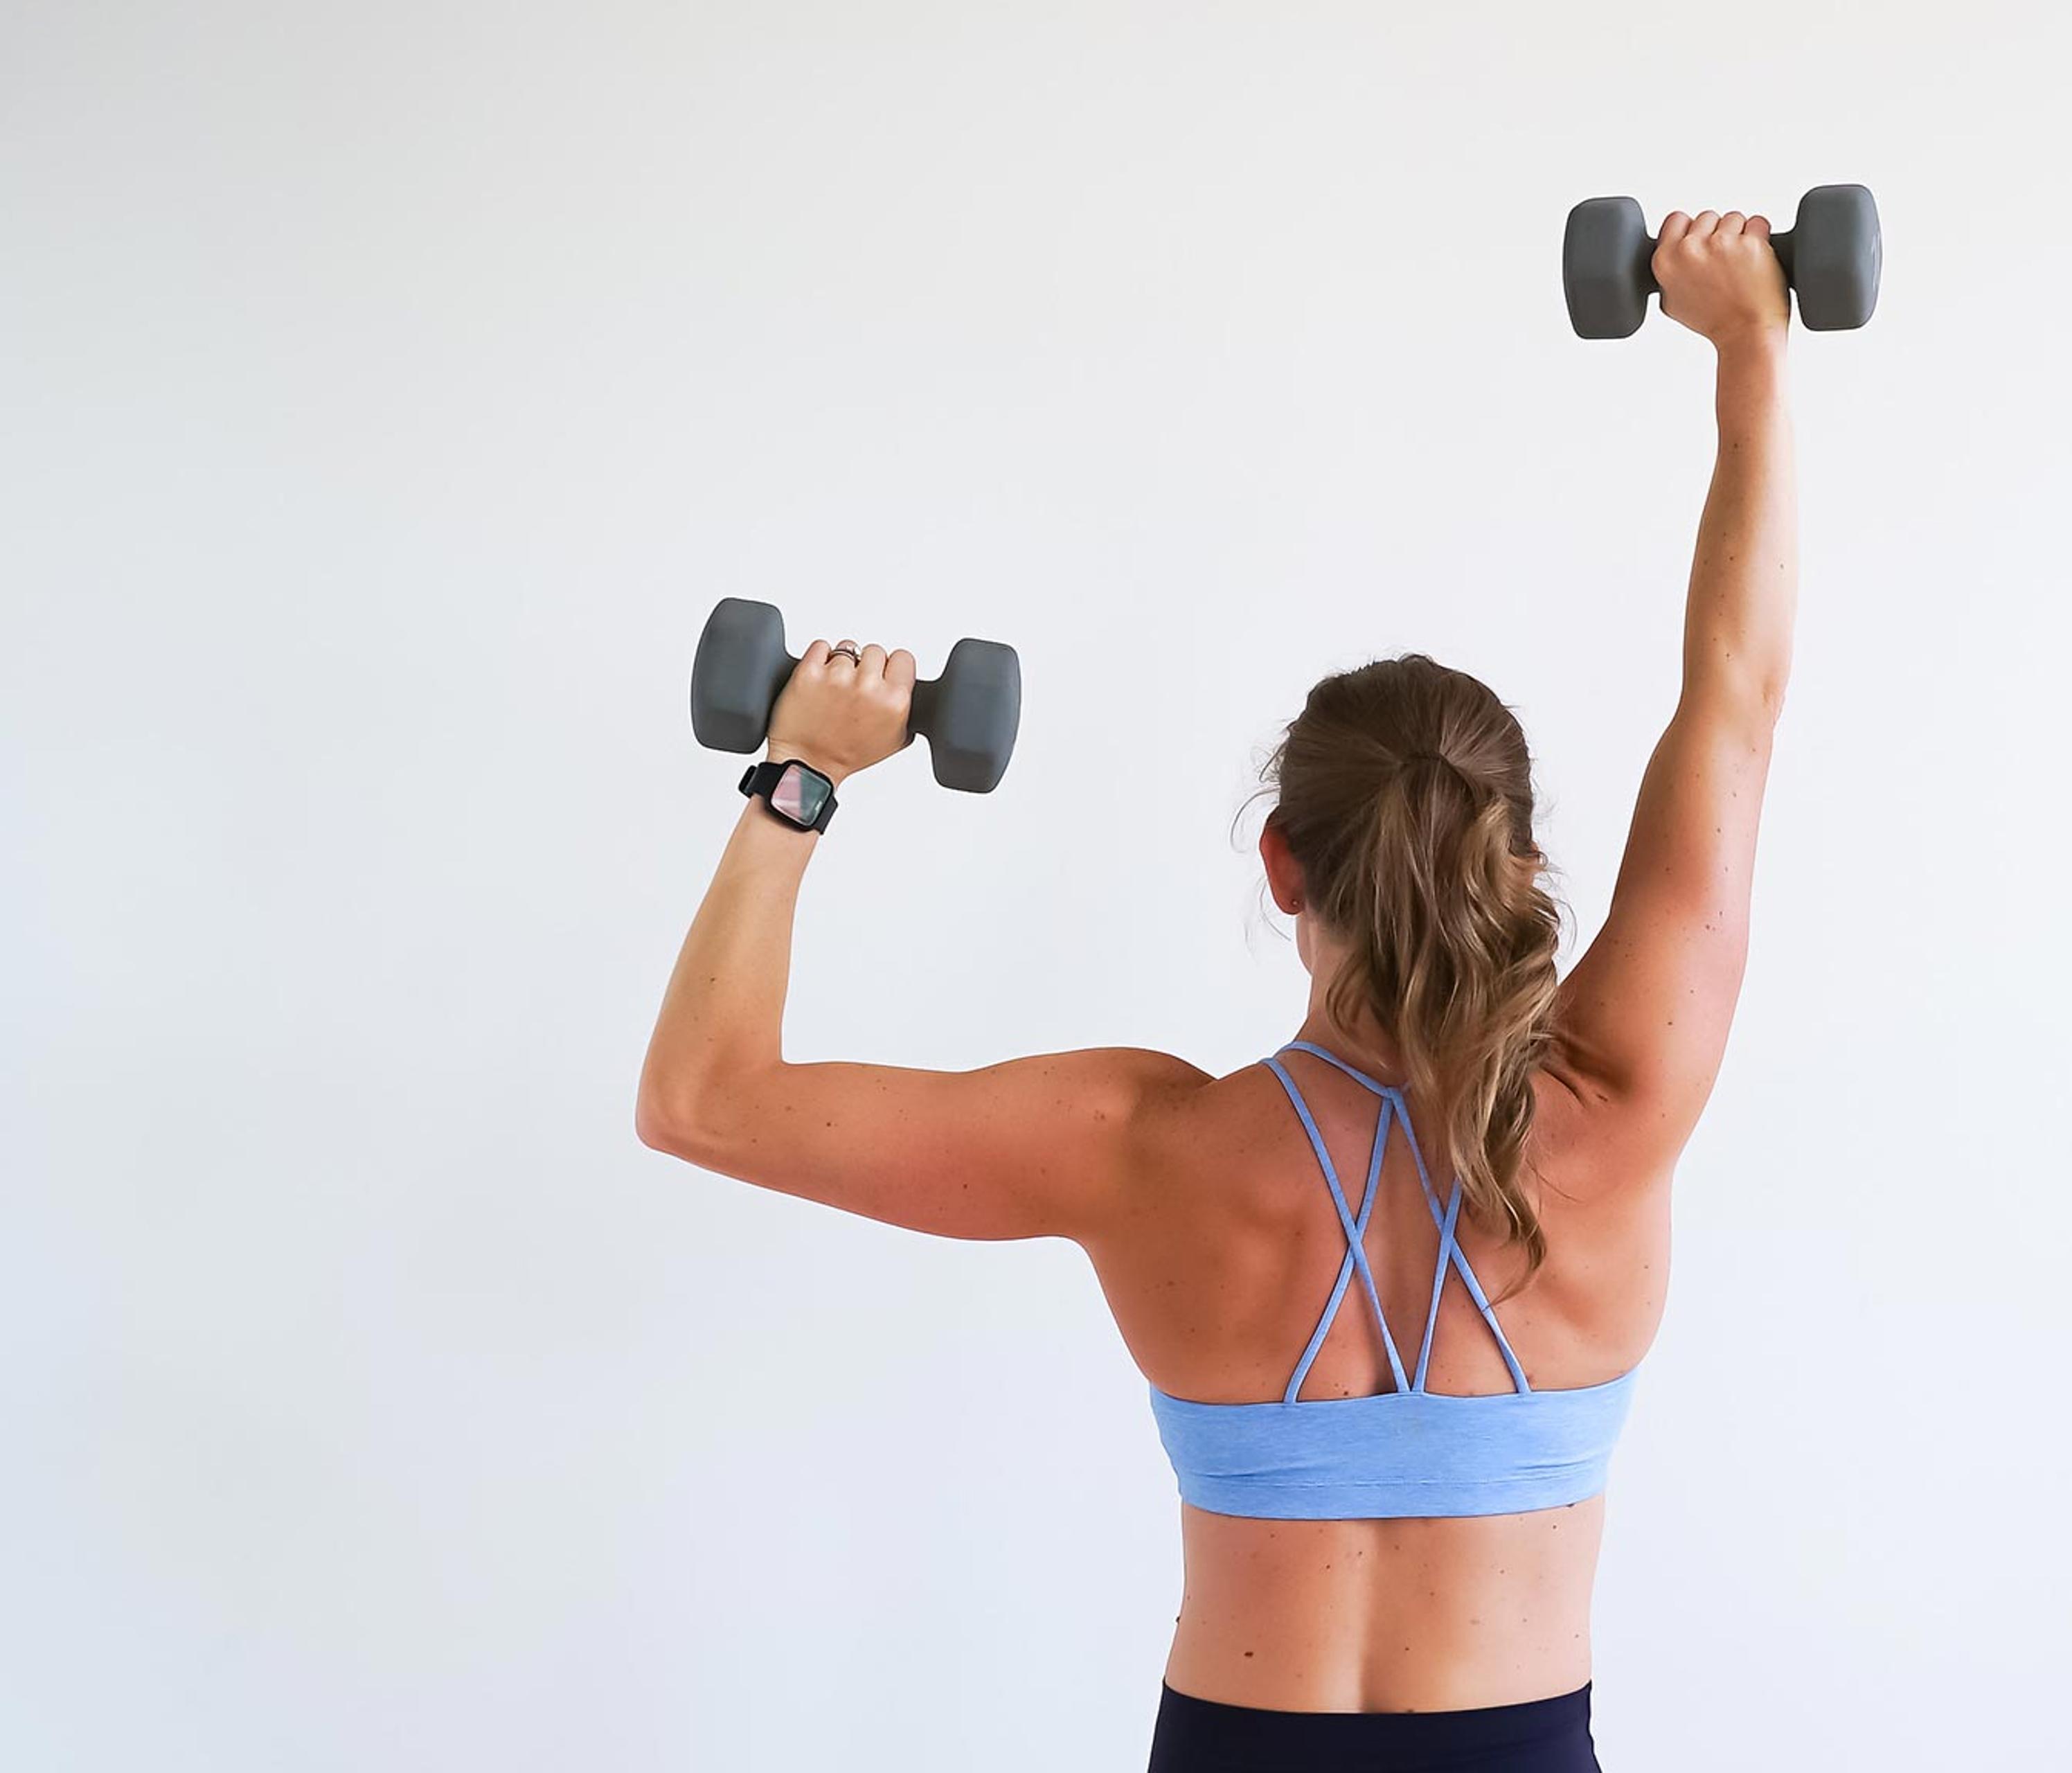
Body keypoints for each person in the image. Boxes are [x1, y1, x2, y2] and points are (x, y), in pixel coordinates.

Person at [637, 208, 1798, 1772]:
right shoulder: (1621, 1100)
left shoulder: (1140, 1142)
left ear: (1280, 867)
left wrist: (801, 771)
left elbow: (704, 1099)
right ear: (1519, 868)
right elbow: (1734, 700)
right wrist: (1750, 342)